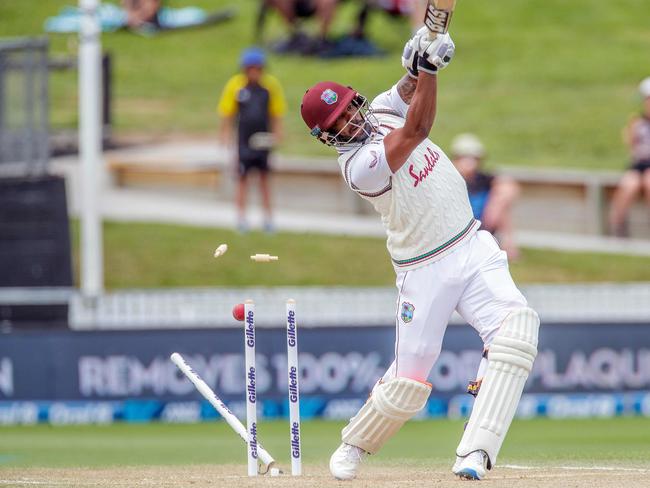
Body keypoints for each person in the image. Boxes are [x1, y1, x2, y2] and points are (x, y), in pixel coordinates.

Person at [300, 27, 539, 481]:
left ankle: (476, 453)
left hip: (472, 245)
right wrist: (430, 70)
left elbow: (405, 92)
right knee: (410, 379)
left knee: (517, 333)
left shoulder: (380, 112)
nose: (352, 120)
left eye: (351, 107)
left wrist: (417, 62)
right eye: (339, 123)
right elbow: (419, 127)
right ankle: (355, 443)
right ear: (326, 136)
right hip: (423, 268)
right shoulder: (359, 168)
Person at [217, 48, 287, 233]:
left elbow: (276, 113)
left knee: (264, 179)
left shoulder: (269, 86)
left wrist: (279, 133)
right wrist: (224, 135)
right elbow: (227, 113)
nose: (255, 72)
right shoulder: (236, 86)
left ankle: (268, 219)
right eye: (251, 68)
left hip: (263, 140)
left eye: (258, 68)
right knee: (242, 179)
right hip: (243, 141)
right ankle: (241, 219)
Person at [451, 133, 520, 259]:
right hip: (458, 229)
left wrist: (495, 206)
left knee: (502, 203)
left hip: (483, 225)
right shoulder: (450, 179)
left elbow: (509, 187)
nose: (470, 162)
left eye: (474, 158)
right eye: (465, 157)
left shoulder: (483, 179)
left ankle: (508, 244)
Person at [608, 77, 650, 237]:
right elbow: (632, 147)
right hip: (639, 164)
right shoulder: (637, 122)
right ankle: (617, 226)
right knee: (628, 184)